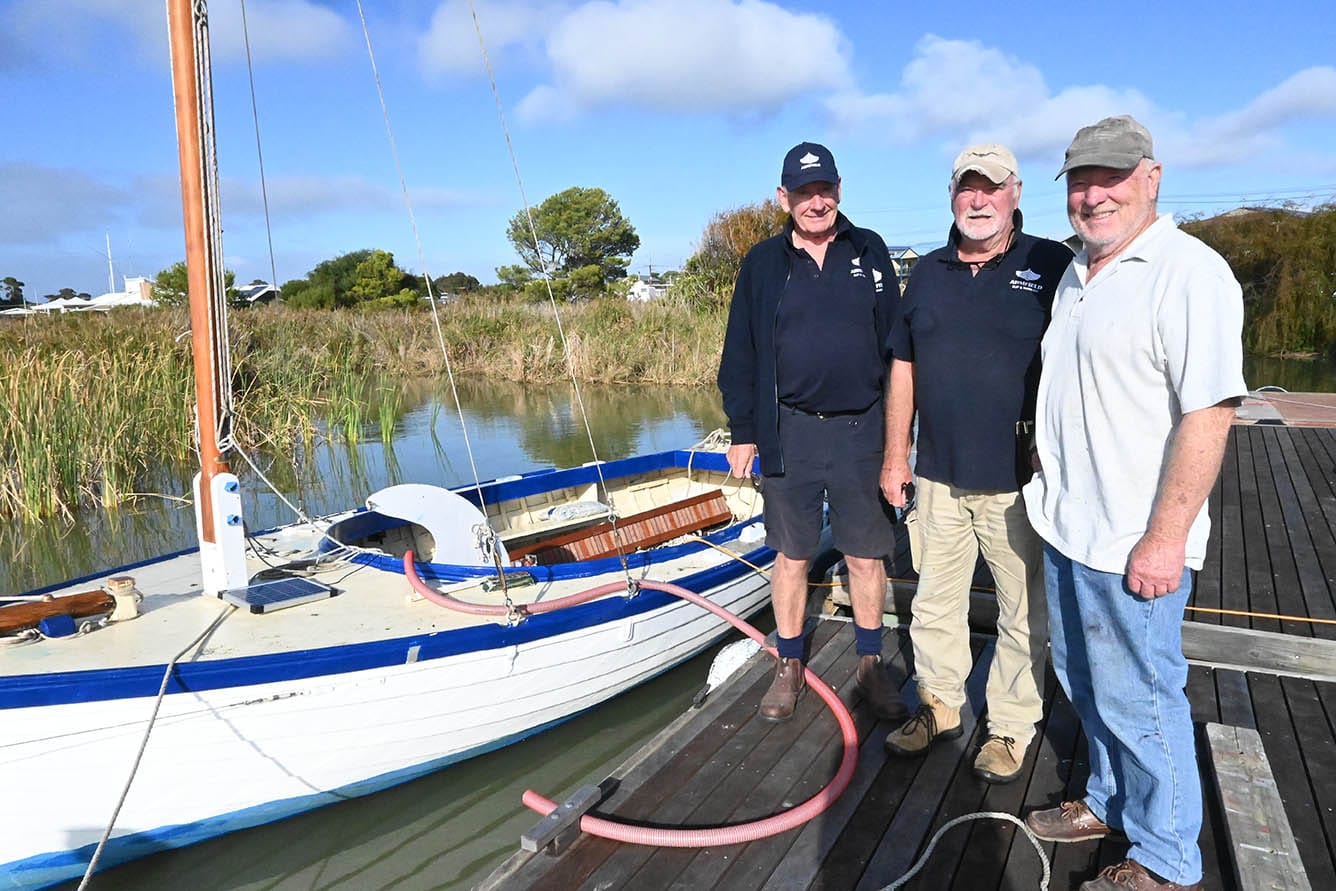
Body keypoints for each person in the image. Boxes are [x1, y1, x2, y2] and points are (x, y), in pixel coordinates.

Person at [1021, 116, 1245, 891]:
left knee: (1144, 699)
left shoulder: (1189, 271)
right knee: (1086, 686)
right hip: (1069, 526)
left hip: (1133, 540)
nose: (1093, 195)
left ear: (1151, 177)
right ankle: (1110, 799)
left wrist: (1166, 536)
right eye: (1080, 181)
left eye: (1110, 177)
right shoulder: (1079, 272)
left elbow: (1209, 413)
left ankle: (1166, 856)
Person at [880, 144, 1071, 783]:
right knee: (934, 600)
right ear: (953, 196)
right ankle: (939, 704)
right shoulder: (927, 273)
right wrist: (893, 456)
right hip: (936, 472)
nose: (979, 200)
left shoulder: (1051, 263)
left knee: (1023, 610)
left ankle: (1011, 726)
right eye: (968, 188)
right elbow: (902, 367)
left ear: (1015, 192)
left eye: (991, 187)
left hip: (1019, 477)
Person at [717, 141, 905, 724]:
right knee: (792, 555)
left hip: (861, 431)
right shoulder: (762, 263)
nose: (815, 201)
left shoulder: (870, 251)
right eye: (803, 193)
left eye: (824, 190)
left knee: (866, 556)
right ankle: (789, 663)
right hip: (789, 431)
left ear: (839, 189)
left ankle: (870, 664)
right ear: (784, 198)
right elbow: (740, 353)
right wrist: (743, 431)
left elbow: (898, 349)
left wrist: (898, 444)